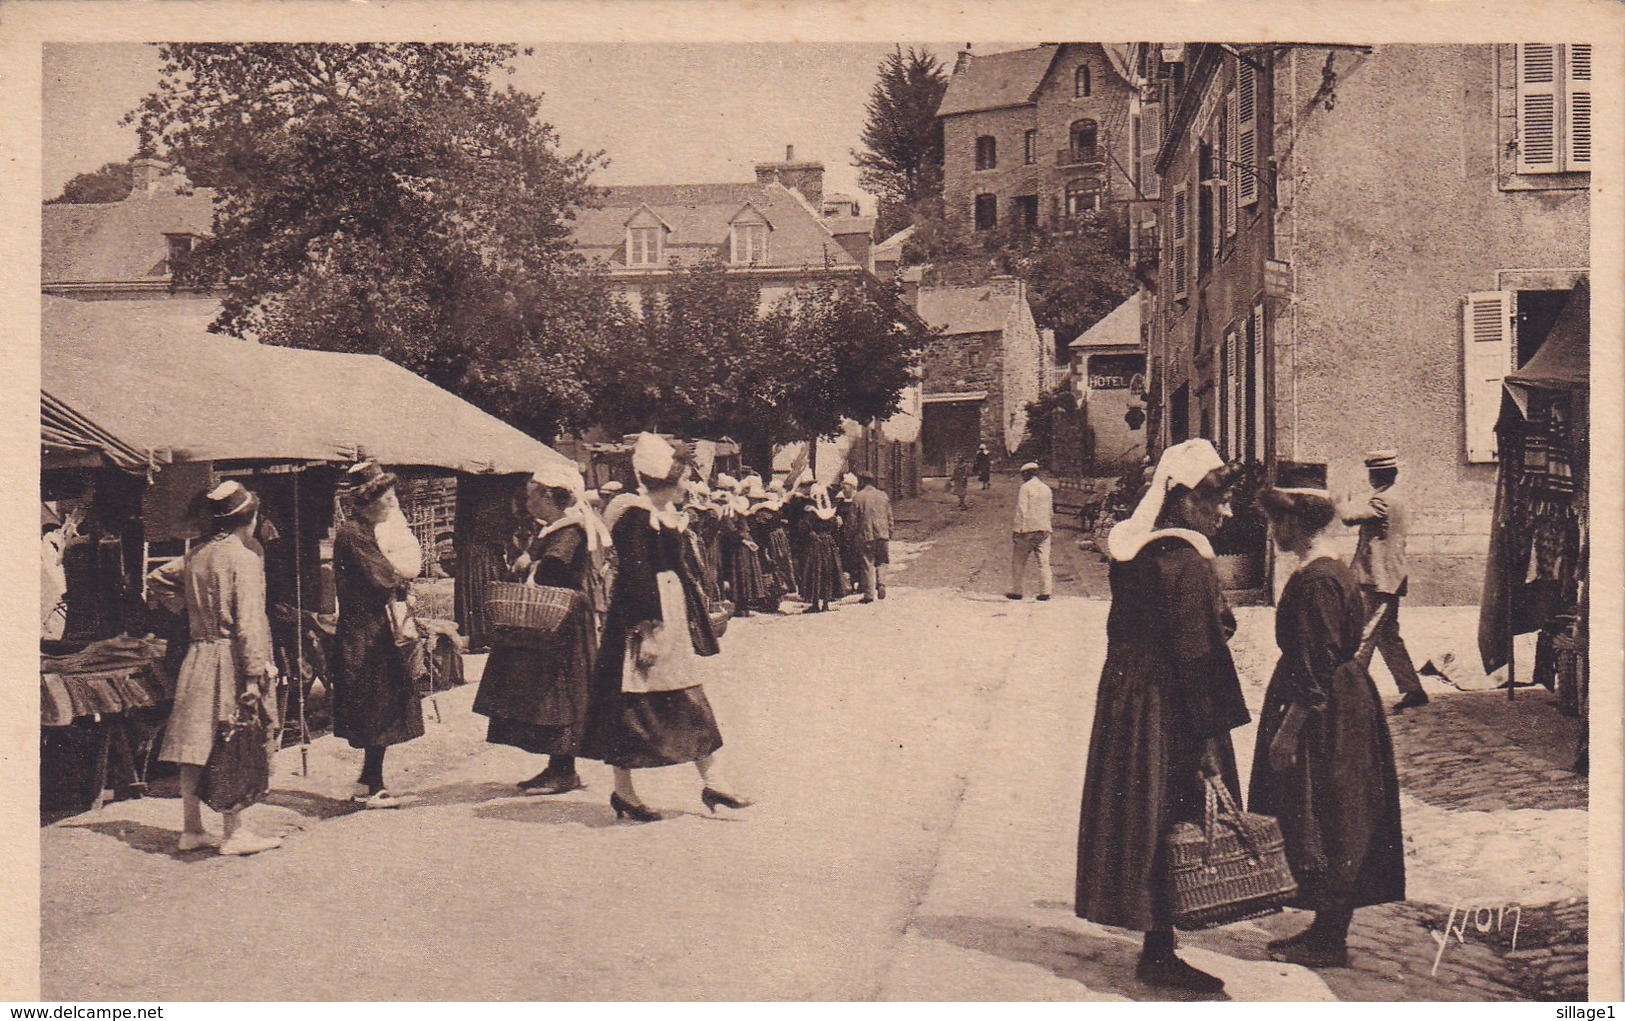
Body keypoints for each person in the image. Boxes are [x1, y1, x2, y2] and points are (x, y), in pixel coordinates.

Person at [1075, 439, 1250, 995]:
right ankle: (1158, 954)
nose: (1226, 511)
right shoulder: (1190, 563)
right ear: (1180, 500)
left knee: (1141, 812)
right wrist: (1205, 742)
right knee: (1173, 811)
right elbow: (1198, 653)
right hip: (1169, 707)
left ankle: (1156, 941)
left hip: (1128, 702)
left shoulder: (1137, 552)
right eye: (1216, 499)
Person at [1249, 463, 1406, 968]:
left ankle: (1329, 938)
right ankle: (1326, 929)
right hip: (1341, 702)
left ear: (1298, 521)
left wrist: (1288, 733)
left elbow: (1314, 660)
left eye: (1277, 521)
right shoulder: (1330, 569)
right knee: (1336, 813)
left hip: (1324, 711)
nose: (1273, 532)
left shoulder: (1318, 579)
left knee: (1326, 813)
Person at [580, 433, 752, 821]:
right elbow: (637, 578)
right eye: (684, 480)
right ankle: (626, 791)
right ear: (666, 483)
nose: (689, 487)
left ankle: (714, 782)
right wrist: (646, 630)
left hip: (667, 617)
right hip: (643, 621)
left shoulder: (661, 517)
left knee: (683, 700)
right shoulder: (636, 517)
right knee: (632, 708)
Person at [148, 481, 282, 856]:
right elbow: (250, 622)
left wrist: (185, 608)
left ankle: (191, 829)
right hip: (230, 659)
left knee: (194, 746)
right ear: (248, 518)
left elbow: (155, 578)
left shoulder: (198, 554)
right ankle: (235, 832)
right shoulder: (244, 557)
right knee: (237, 739)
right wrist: (256, 673)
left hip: (198, 655)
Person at [473, 462, 611, 796]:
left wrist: (530, 564)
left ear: (548, 495)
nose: (527, 502)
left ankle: (563, 771)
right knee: (550, 695)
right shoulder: (557, 527)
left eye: (532, 496)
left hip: (561, 623)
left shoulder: (568, 530)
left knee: (558, 695)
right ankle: (557, 767)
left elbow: (554, 570)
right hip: (556, 620)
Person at [332, 462, 424, 808]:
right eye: (387, 497)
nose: (392, 502)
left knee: (380, 701)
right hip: (364, 631)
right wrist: (400, 578)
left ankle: (370, 778)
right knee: (375, 701)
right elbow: (382, 576)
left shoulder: (362, 531)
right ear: (369, 502)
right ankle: (375, 787)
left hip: (372, 626)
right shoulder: (354, 535)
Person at [1338, 450, 1428, 713]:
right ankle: (1412, 689)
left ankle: (1346, 694)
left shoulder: (1383, 500)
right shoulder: (1394, 497)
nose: (1369, 478)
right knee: (1388, 637)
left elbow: (1348, 518)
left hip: (1381, 580)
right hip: (1388, 578)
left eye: (1371, 474)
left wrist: (1340, 499)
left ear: (1377, 475)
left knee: (1363, 635)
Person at [1007, 462, 1054, 601]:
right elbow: (1051, 512)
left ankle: (1017, 591)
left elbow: (1022, 510)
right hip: (1044, 530)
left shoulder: (1025, 488)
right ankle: (1046, 591)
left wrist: (1017, 530)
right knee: (1044, 562)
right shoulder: (1046, 488)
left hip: (1027, 530)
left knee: (1018, 561)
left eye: (1023, 475)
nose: (1022, 477)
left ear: (1027, 474)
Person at [798, 484, 847, 613]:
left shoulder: (810, 512)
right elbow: (836, 527)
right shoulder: (830, 512)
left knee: (815, 572)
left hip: (815, 544)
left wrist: (810, 534)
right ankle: (825, 603)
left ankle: (815, 603)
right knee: (828, 572)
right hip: (828, 544)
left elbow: (804, 528)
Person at [852, 473, 893, 603]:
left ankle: (869, 595)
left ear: (862, 482)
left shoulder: (858, 497)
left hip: (866, 535)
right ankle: (881, 583)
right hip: (883, 534)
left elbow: (852, 520)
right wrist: (889, 532)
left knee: (867, 563)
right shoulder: (883, 496)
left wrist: (850, 535)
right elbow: (889, 517)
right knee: (882, 561)